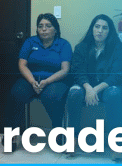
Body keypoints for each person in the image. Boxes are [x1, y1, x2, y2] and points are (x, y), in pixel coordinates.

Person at [5, 13, 72, 151]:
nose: (44, 29)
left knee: (52, 97)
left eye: (48, 26)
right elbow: (22, 64)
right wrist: (32, 81)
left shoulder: (63, 44)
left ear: (55, 29)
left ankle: (58, 132)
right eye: (40, 26)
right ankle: (12, 136)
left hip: (54, 80)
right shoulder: (30, 42)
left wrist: (46, 81)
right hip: (31, 79)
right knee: (16, 93)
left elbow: (65, 70)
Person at [67, 14, 122, 135]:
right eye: (97, 26)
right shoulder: (81, 47)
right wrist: (88, 88)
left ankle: (115, 139)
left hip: (108, 86)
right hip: (85, 86)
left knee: (114, 94)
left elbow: (117, 74)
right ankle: (73, 137)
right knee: (74, 93)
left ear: (109, 31)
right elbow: (77, 71)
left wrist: (95, 90)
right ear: (92, 28)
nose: (100, 31)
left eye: (104, 28)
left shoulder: (118, 48)